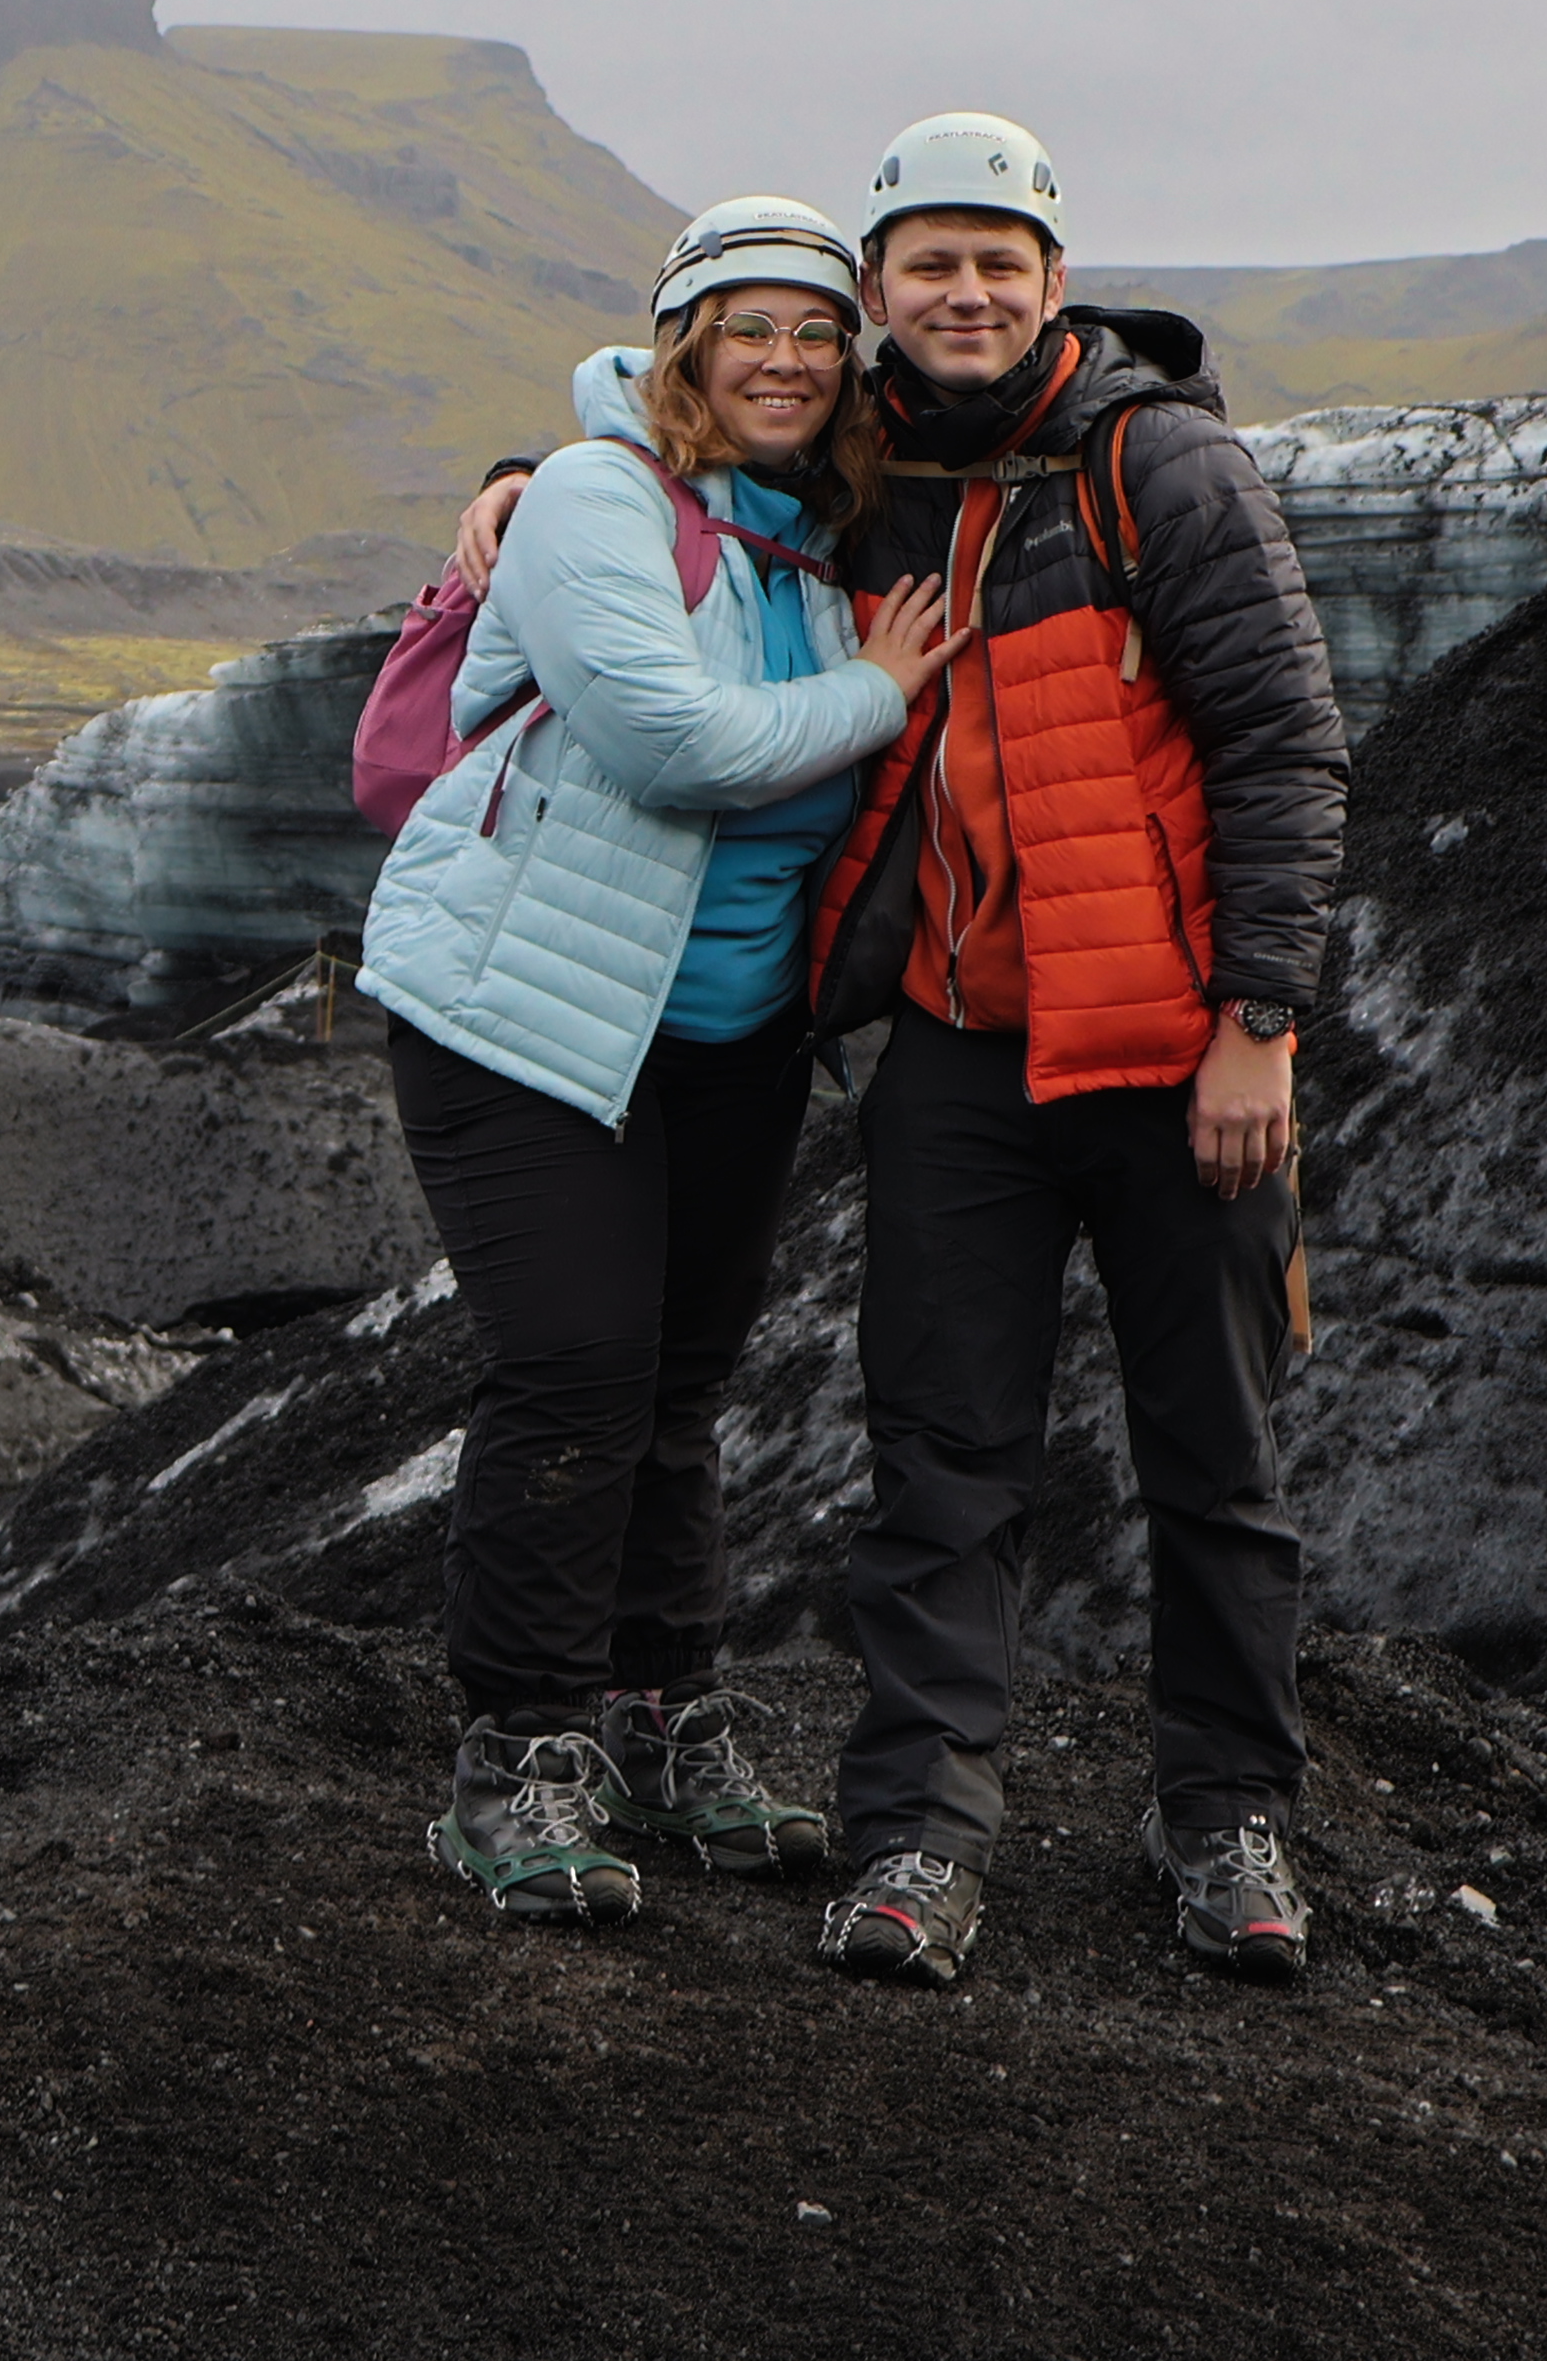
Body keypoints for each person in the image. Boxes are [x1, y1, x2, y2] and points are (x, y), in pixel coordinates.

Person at [360, 197, 976, 1922]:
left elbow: (1013, 368)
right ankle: (520, 1755)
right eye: (745, 326)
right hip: (525, 1021)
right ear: (683, 339)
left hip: (730, 1035)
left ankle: (656, 1717)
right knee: (572, 1371)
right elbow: (668, 738)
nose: (781, 360)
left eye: (812, 331)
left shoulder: (825, 523)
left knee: (677, 1391)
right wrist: (868, 691)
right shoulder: (591, 496)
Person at [793, 111, 1349, 1990]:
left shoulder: (1155, 468)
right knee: (943, 1459)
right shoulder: (857, 469)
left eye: (996, 262)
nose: (963, 293)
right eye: (926, 262)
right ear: (876, 291)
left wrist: (1260, 1029)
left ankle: (1230, 1822)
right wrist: (522, 475)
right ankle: (918, 1842)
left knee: (1218, 1453)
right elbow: (681, 424)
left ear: (1053, 282)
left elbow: (1284, 746)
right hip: (956, 1057)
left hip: (1182, 1051)